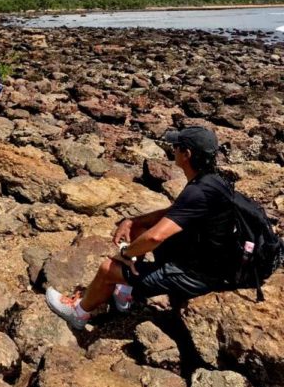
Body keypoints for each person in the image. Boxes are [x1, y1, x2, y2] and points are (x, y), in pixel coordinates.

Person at [45, 126, 237, 330]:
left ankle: (78, 313)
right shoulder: (213, 182)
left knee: (107, 269)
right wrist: (134, 221)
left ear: (187, 154)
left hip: (197, 275)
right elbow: (172, 213)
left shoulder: (197, 191)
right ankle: (123, 295)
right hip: (205, 256)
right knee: (139, 227)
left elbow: (155, 238)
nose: (173, 149)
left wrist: (126, 254)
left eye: (177, 146)